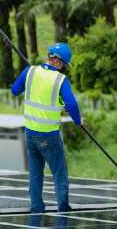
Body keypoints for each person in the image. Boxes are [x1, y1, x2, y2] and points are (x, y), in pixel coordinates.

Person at [11, 43, 81, 213]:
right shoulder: (60, 79)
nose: (63, 68)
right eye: (64, 65)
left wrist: (28, 82)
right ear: (59, 62)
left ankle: (36, 207)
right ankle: (63, 207)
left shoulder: (30, 71)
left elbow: (14, 90)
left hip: (30, 132)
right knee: (59, 172)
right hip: (49, 134)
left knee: (35, 173)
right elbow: (71, 103)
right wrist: (78, 121)